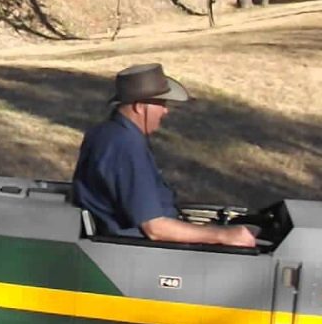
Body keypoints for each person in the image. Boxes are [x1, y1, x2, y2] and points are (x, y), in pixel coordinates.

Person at [72, 63, 255, 248]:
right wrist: (223, 235)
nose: (165, 111)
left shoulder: (108, 133)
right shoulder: (125, 145)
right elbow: (155, 228)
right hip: (142, 252)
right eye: (161, 104)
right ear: (140, 107)